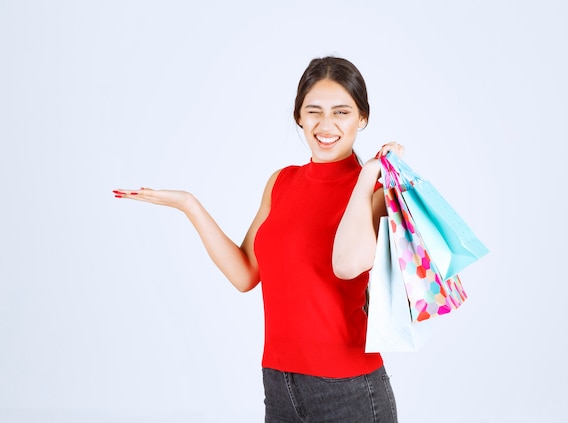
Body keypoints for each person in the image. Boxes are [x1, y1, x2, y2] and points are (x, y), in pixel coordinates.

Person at [113, 56, 405, 423]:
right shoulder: (281, 182)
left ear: (362, 118)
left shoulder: (377, 190)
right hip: (278, 385)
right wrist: (189, 205)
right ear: (298, 116)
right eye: (313, 111)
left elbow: (347, 265)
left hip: (348, 391)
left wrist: (368, 176)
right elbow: (245, 273)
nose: (325, 124)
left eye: (341, 112)